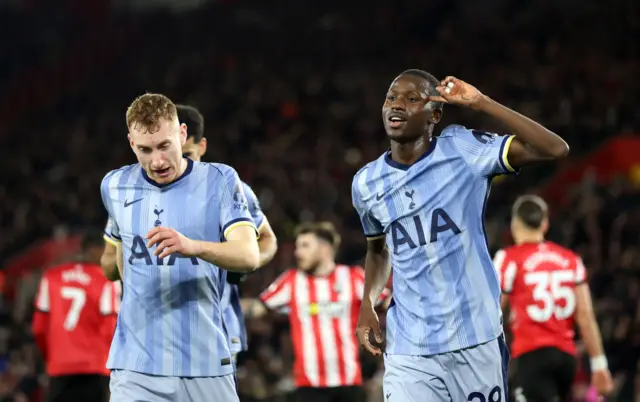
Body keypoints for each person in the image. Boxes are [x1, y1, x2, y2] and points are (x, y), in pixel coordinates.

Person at [351, 70, 569, 402]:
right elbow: (379, 250)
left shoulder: (464, 151)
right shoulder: (366, 183)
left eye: (412, 99)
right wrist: (368, 304)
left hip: (475, 338)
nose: (397, 106)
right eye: (392, 97)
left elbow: (554, 148)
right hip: (409, 346)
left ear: (434, 115)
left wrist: (482, 103)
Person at [101, 93, 260, 402]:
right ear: (131, 143)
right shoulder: (114, 185)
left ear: (182, 134)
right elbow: (120, 252)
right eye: (145, 150)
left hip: (206, 361)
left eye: (164, 146)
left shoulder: (221, 180)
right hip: (135, 365)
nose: (157, 161)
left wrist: (193, 246)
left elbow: (249, 256)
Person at [243, 222, 389, 402]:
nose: (298, 252)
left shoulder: (353, 277)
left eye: (305, 246)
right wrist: (225, 304)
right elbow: (256, 308)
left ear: (325, 248)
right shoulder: (291, 281)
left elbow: (388, 302)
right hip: (308, 389)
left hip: (349, 385)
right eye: (297, 246)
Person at [177, 103, 278, 361]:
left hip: (218, 325)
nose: (181, 165)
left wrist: (248, 262)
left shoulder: (228, 187)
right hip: (161, 330)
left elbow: (267, 239)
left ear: (202, 147)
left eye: (187, 154)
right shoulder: (143, 194)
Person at [494, 195, 614, 401]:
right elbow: (585, 316)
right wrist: (599, 364)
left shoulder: (508, 259)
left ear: (514, 224)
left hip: (531, 355)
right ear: (545, 224)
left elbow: (493, 311)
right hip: (567, 359)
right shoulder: (571, 260)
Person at [32, 230, 121, 402]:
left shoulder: (51, 277)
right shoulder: (107, 280)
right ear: (97, 249)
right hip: (94, 368)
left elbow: (39, 328)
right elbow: (111, 328)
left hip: (59, 368)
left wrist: (50, 358)